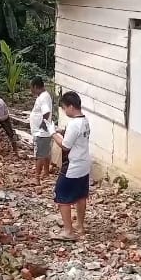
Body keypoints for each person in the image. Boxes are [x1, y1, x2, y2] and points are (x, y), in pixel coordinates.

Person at [43, 91, 91, 241]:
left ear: (71, 106)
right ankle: (80, 226)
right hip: (84, 164)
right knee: (81, 195)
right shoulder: (85, 120)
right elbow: (74, 136)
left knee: (62, 197)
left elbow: (65, 145)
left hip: (72, 167)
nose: (64, 111)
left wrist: (52, 132)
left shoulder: (74, 124)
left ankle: (68, 231)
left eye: (64, 108)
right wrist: (61, 131)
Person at [29, 76, 53, 184]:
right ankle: (46, 172)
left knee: (39, 155)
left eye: (31, 88)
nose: (31, 90)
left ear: (35, 86)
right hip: (43, 131)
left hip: (41, 132)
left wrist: (43, 124)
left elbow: (46, 112)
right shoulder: (43, 96)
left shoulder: (43, 97)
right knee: (45, 152)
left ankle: (37, 178)